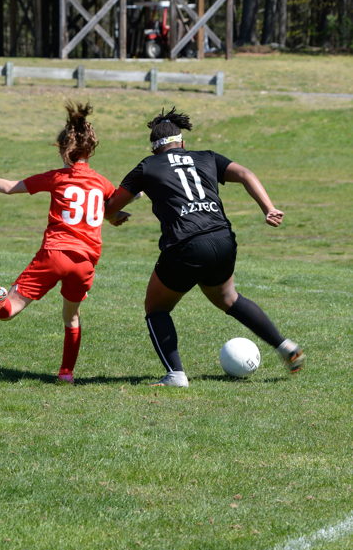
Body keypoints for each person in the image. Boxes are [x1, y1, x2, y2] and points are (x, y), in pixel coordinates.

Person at [105, 107, 305, 387]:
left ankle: (175, 375)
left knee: (156, 308)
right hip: (222, 239)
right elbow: (245, 173)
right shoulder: (207, 157)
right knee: (228, 298)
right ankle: (285, 346)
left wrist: (114, 216)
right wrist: (268, 208)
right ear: (182, 143)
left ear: (154, 148)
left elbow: (110, 206)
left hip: (186, 245)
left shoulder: (147, 166)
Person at [0, 102, 128, 384]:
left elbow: (10, 187)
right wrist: (117, 216)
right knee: (71, 317)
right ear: (90, 150)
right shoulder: (101, 182)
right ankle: (66, 374)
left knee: (10, 312)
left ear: (63, 150)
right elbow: (105, 209)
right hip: (84, 261)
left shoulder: (56, 177)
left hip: (54, 253)